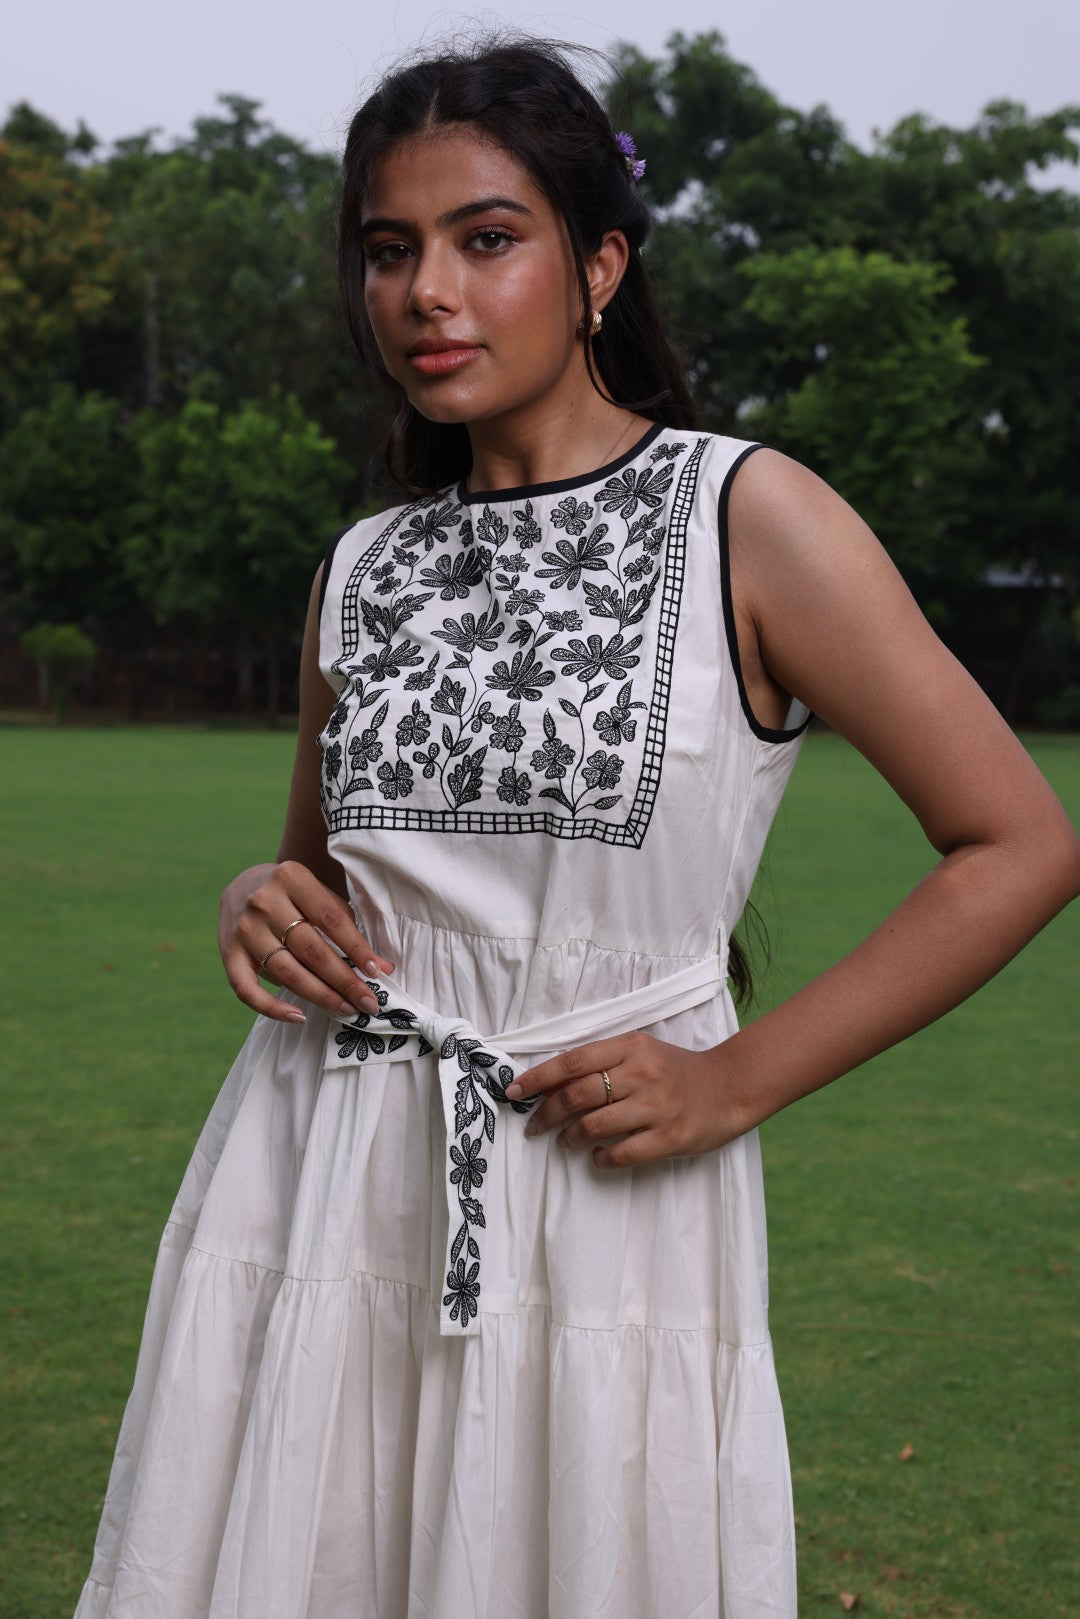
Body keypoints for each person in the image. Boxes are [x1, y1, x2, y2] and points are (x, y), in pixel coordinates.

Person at [74, 37, 1079, 1619]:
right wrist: (253, 898)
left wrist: (733, 1078)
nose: (427, 294)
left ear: (599, 263)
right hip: (317, 1179)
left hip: (602, 1190)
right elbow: (322, 883)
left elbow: (1020, 842)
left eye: (488, 239)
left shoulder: (753, 516)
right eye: (389, 252)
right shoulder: (365, 565)